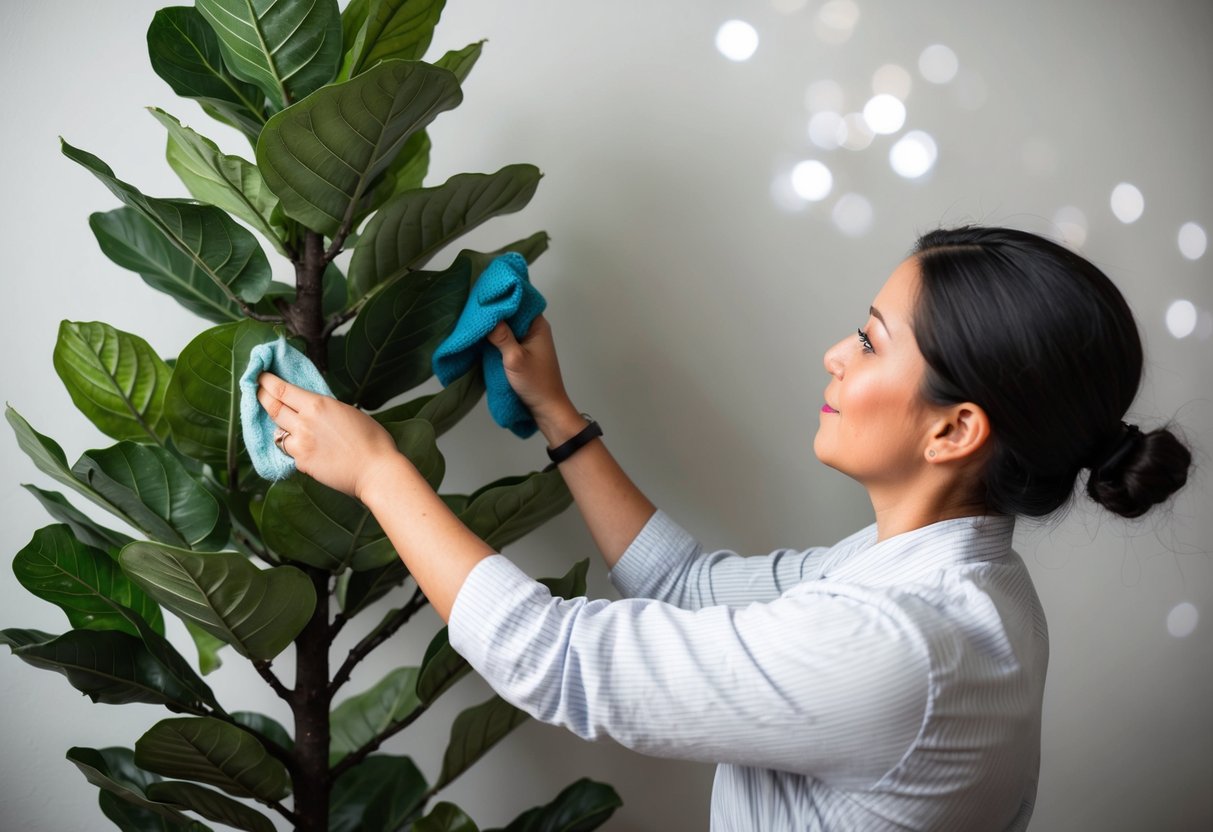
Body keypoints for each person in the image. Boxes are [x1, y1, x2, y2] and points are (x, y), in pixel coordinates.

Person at [256, 225, 1191, 831]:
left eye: (870, 340)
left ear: (954, 429)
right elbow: (690, 589)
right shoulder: (943, 583)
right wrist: (556, 413)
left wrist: (378, 469)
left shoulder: (904, 647)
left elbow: (556, 659)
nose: (835, 353)